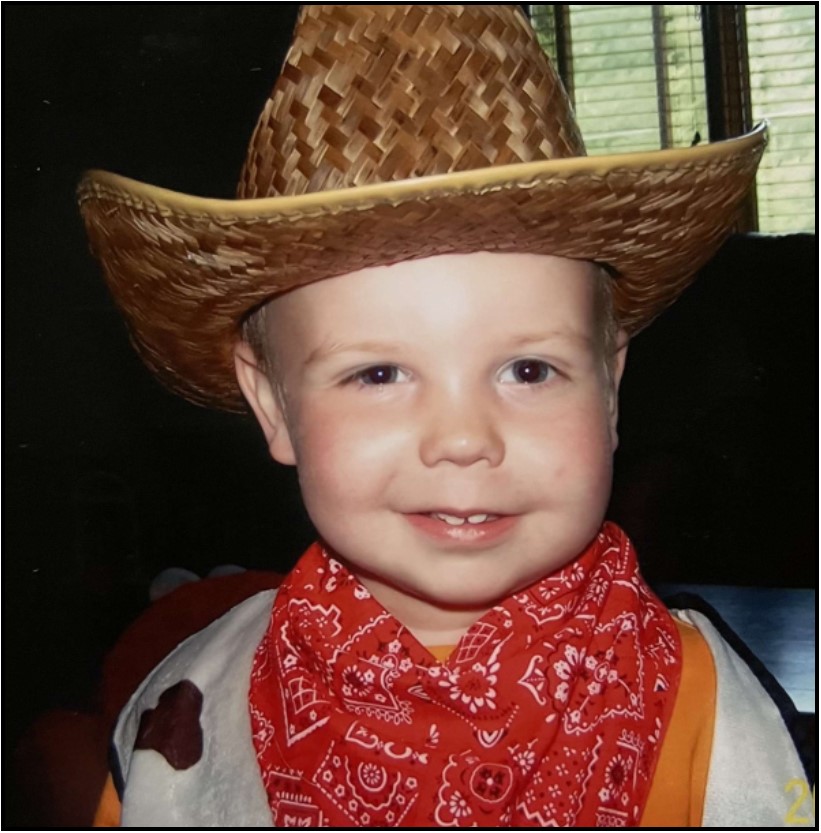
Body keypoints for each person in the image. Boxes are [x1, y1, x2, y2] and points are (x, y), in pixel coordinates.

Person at [79, 6, 806, 828]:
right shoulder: (186, 710)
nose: (463, 438)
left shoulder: (704, 709)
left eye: (528, 369)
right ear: (271, 405)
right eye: (379, 372)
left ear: (609, 391)